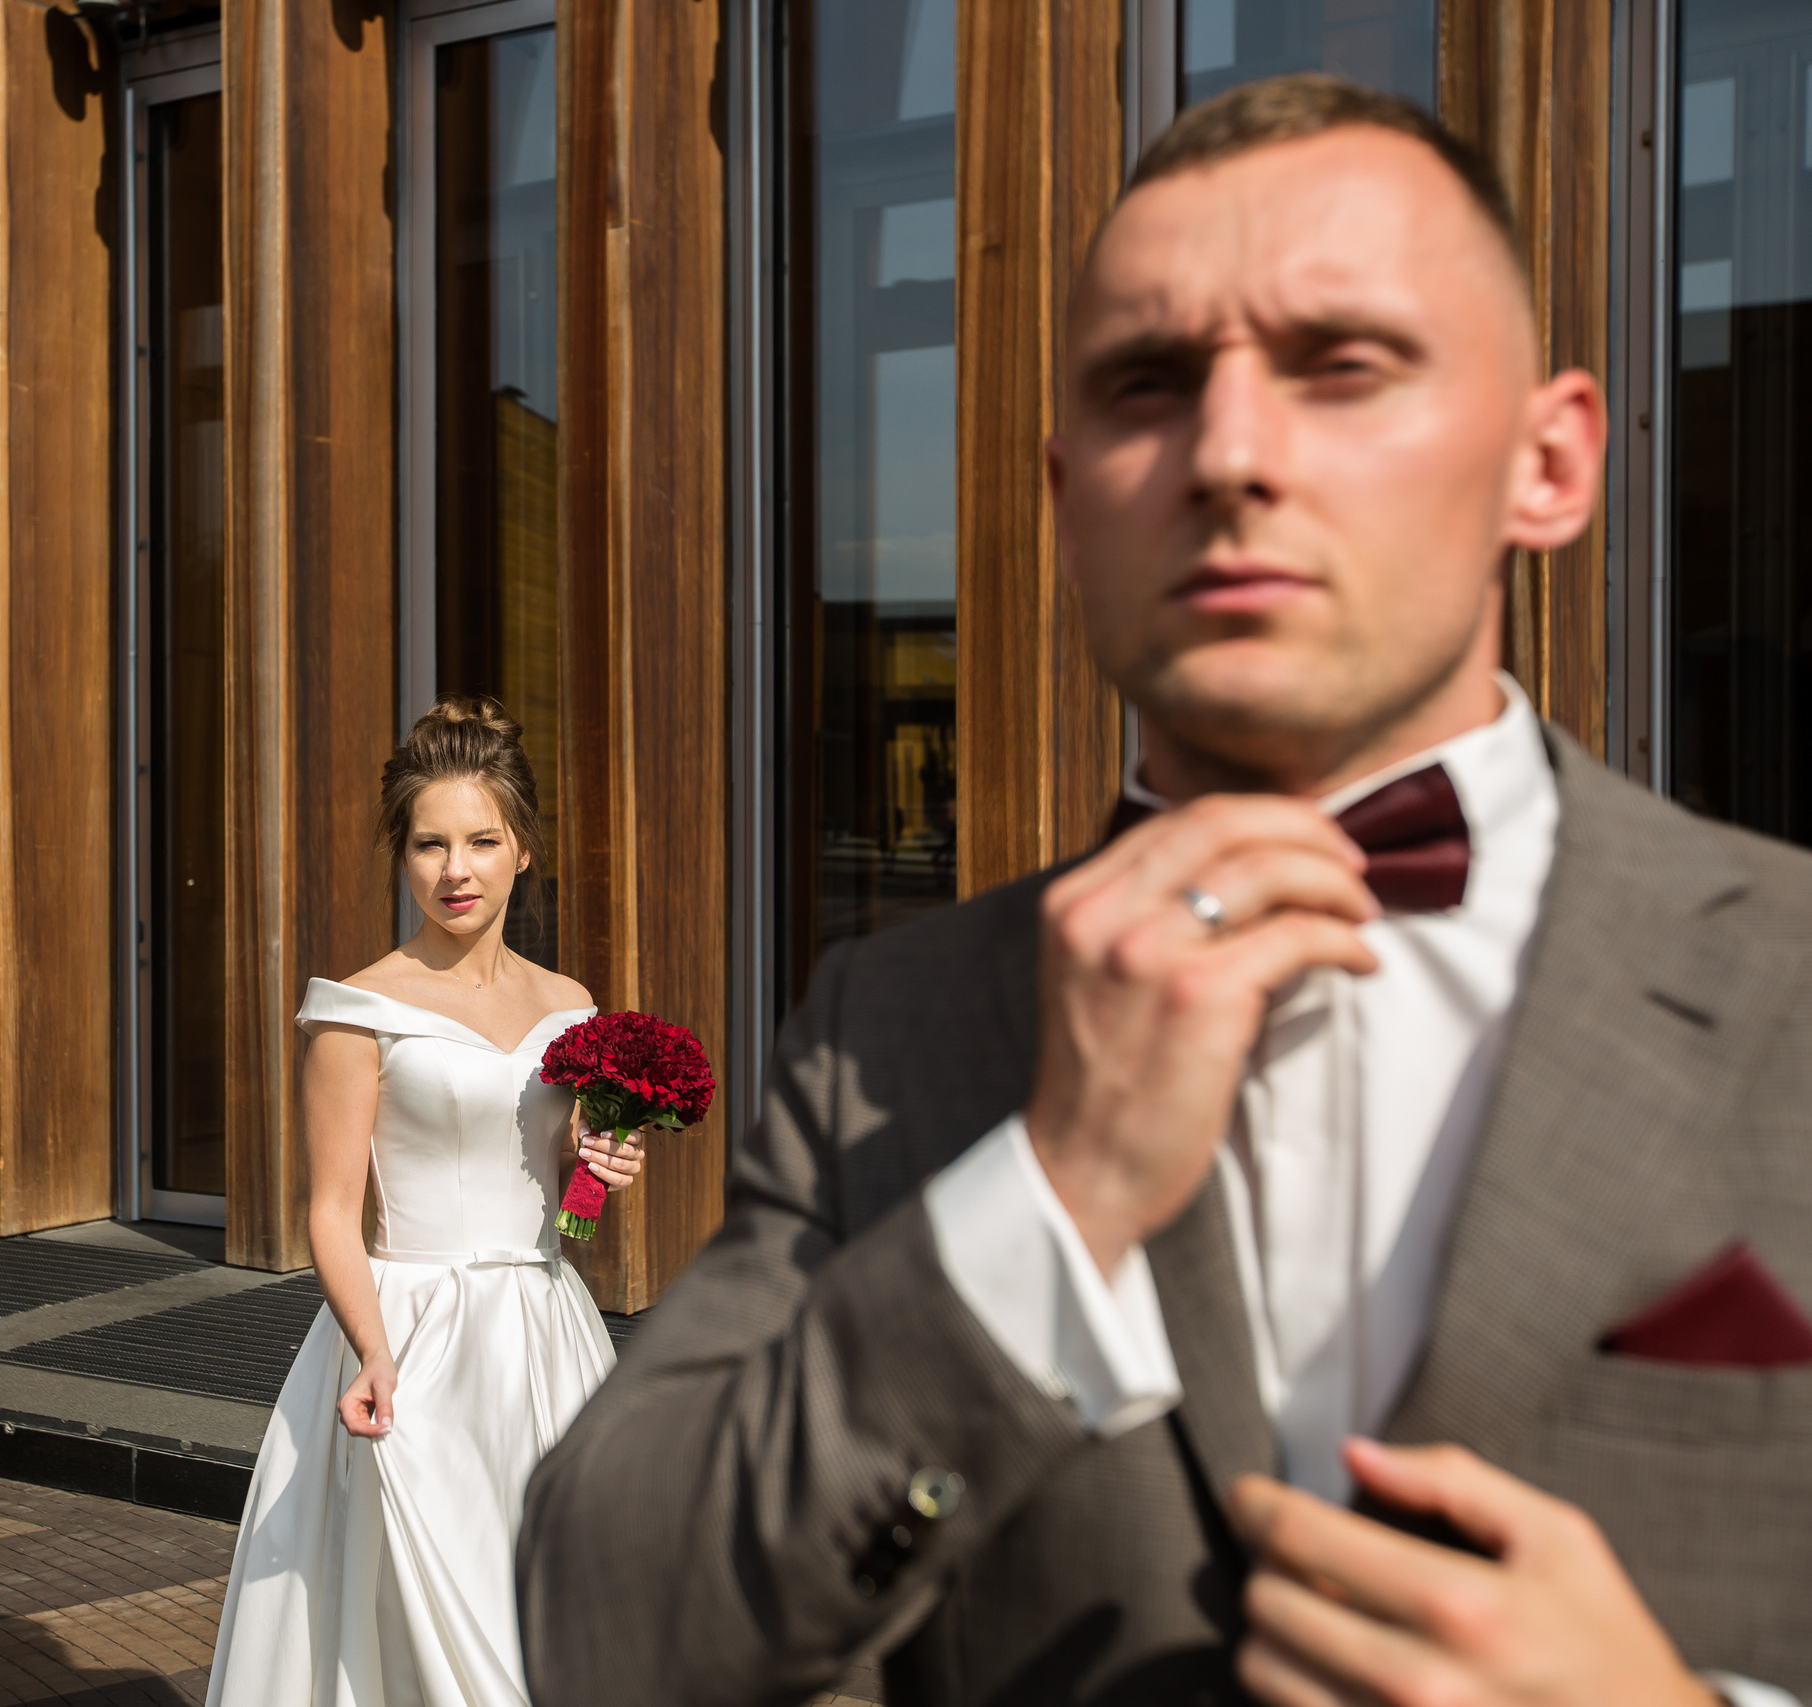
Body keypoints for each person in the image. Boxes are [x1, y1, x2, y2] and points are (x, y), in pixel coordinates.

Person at [516, 76, 1812, 1707]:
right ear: (1067, 505)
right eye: (1149, 383)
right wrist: (1050, 1190)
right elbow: (608, 1637)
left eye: (1344, 364)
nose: (1231, 452)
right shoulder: (896, 1023)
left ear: (1548, 463)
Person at [205, 695, 645, 1707]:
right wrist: (370, 1351)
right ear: (401, 856)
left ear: (522, 850)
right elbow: (328, 1211)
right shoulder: (358, 1011)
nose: (456, 870)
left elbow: (558, 1183)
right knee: (433, 1621)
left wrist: (603, 1169)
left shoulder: (569, 1005)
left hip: (544, 1336)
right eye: (429, 844)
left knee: (553, 1610)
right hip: (412, 1347)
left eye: (482, 841)